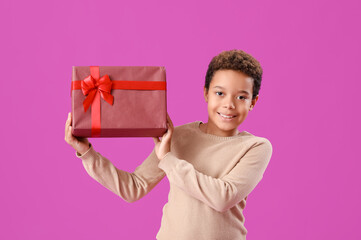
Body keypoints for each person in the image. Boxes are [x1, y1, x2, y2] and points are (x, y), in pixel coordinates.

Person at [64, 49, 273, 240]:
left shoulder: (256, 147)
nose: (229, 104)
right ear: (206, 93)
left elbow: (223, 198)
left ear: (253, 102)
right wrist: (86, 152)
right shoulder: (178, 136)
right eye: (220, 93)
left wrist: (168, 159)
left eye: (241, 97)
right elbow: (134, 187)